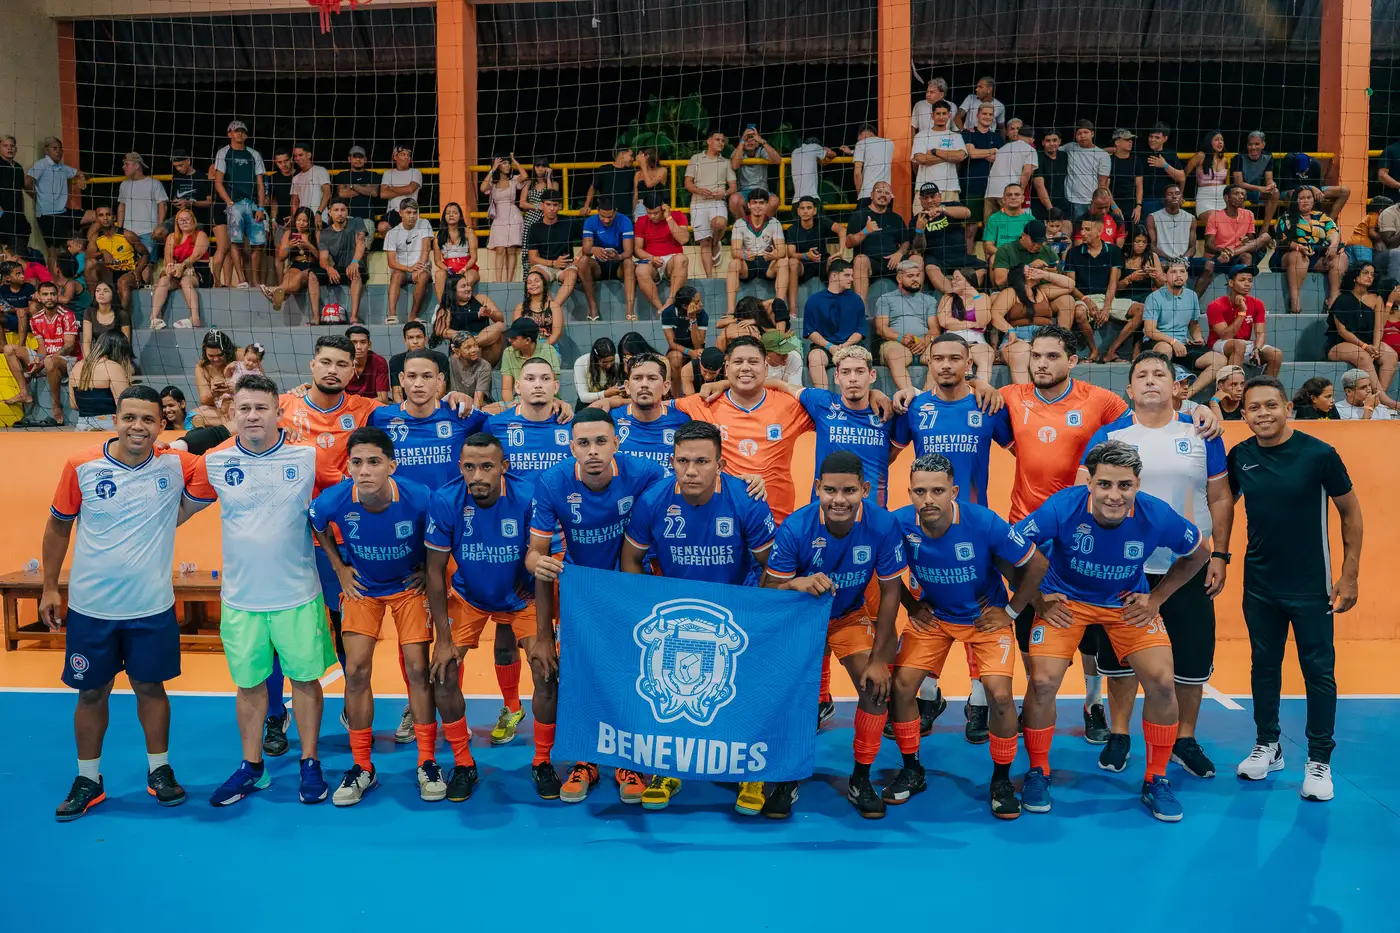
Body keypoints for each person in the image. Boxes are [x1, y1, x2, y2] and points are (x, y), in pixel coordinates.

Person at [1015, 440, 1207, 822]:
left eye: (1124, 485)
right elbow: (1010, 548)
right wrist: (1037, 600)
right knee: (1043, 682)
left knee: (1162, 682)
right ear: (1089, 482)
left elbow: (1200, 552)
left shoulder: (1155, 514)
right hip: (1065, 601)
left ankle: (1156, 778)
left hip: (1125, 602)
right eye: (1104, 484)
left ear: (1138, 484)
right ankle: (1038, 771)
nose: (1114, 495)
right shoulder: (1063, 507)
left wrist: (1156, 599)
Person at [42, 385, 206, 820]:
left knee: (151, 688)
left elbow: (225, 455)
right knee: (91, 692)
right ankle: (88, 779)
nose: (138, 426)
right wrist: (49, 587)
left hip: (151, 608)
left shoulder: (176, 464)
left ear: (162, 424)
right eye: (130, 417)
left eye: (148, 419)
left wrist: (192, 438)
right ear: (115, 419)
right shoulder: (81, 464)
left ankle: (160, 771)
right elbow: (58, 526)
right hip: (91, 609)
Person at [182, 374, 341, 808]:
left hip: (298, 596)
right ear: (233, 412)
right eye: (245, 408)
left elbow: (350, 494)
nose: (252, 416)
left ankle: (310, 762)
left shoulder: (308, 457)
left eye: (261, 408)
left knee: (305, 680)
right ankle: (253, 768)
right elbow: (178, 511)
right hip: (241, 600)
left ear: (278, 412)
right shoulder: (215, 461)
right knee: (249, 685)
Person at [1080, 353, 1232, 780]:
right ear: (1129, 389)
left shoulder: (1201, 431)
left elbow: (1220, 496)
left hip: (1188, 564)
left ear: (1176, 387)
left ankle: (1184, 739)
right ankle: (1119, 734)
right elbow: (1085, 496)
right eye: (1141, 375)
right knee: (1120, 661)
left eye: (1159, 374)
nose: (1150, 380)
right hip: (1124, 569)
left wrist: (1220, 554)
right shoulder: (1110, 436)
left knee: (1191, 659)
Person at [618, 419, 777, 809]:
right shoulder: (653, 500)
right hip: (678, 617)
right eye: (683, 461)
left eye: (702, 462)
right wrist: (647, 608)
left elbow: (771, 566)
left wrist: (756, 613)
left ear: (720, 464)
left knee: (744, 692)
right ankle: (668, 768)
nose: (691, 471)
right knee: (671, 689)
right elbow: (631, 560)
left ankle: (749, 773)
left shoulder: (745, 499)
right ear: (672, 461)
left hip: (732, 616)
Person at [1221, 376, 1363, 803]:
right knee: (1263, 666)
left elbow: (1351, 513)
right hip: (1260, 584)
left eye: (1271, 405)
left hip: (1311, 586)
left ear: (1287, 408)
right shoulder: (1240, 456)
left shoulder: (1319, 454)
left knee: (1318, 672)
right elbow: (1221, 505)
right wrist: (1215, 554)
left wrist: (1349, 575)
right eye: (1254, 408)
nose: (1263, 414)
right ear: (1243, 414)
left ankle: (1319, 759)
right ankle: (1269, 745)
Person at [887, 453, 1048, 818]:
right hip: (935, 617)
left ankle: (1001, 781)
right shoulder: (898, 523)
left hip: (984, 619)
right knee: (902, 686)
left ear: (954, 492)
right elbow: (884, 569)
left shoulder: (983, 521)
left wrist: (1011, 611)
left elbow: (1037, 563)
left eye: (937, 491)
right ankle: (912, 770)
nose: (928, 499)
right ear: (909, 493)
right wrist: (912, 607)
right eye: (919, 491)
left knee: (1000, 696)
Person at [526, 409, 667, 804]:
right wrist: (537, 565)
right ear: (571, 447)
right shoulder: (553, 482)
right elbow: (536, 554)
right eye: (584, 443)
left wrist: (750, 481)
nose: (592, 451)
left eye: (601, 442)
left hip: (631, 590)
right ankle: (585, 760)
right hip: (582, 595)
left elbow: (684, 494)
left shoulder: (644, 474)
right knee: (579, 679)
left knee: (632, 678)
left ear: (616, 443)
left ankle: (629, 761)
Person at [762, 451, 907, 819]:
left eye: (849, 491)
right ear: (817, 488)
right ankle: (787, 776)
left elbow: (891, 592)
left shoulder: (883, 524)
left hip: (847, 616)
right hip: (801, 618)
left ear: (865, 490)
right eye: (830, 490)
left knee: (876, 689)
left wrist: (879, 659)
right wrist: (796, 583)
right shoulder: (796, 527)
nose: (838, 499)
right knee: (791, 696)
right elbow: (768, 590)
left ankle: (861, 778)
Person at [308, 428, 444, 806]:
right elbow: (317, 525)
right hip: (363, 589)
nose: (364, 470)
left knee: (417, 668)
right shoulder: (334, 499)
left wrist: (427, 568)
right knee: (355, 671)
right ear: (348, 467)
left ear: (391, 466)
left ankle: (427, 761)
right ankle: (362, 765)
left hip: (407, 588)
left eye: (374, 462)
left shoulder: (419, 497)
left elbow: (442, 533)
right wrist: (339, 568)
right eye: (357, 463)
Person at [424, 433, 538, 803]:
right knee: (443, 671)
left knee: (545, 668)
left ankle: (542, 760)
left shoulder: (528, 496)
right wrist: (443, 640)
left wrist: (546, 631)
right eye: (469, 467)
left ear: (504, 467)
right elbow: (434, 571)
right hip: (469, 595)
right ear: (460, 467)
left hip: (520, 596)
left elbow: (545, 557)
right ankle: (463, 762)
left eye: (487, 466)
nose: (477, 475)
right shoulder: (446, 499)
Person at [1143, 260, 1222, 398]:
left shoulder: (1191, 296)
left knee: (1220, 360)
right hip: (1158, 342)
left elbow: (1193, 324)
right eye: (1173, 272)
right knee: (1166, 349)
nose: (1178, 275)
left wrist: (1198, 337)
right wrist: (1173, 342)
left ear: (1186, 276)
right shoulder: (1154, 297)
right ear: (1165, 275)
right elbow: (1150, 330)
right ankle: (1165, 394)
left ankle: (1187, 395)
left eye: (1182, 271)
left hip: (1182, 345)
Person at [1064, 213, 1137, 363]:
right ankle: (1094, 351)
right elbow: (1070, 285)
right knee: (1079, 312)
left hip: (1108, 297)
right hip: (1083, 298)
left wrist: (1106, 307)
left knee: (1141, 310)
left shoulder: (1114, 251)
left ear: (1099, 231)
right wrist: (1086, 300)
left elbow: (1113, 283)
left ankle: (1112, 351)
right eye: (1082, 229)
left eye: (1087, 229)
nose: (1082, 233)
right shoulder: (1073, 253)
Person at [1325, 262, 1400, 405]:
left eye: (1372, 274)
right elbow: (1343, 331)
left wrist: (1376, 347)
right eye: (1365, 273)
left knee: (1391, 355)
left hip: (1369, 343)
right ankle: (1386, 401)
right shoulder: (1342, 299)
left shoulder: (1377, 298)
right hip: (1340, 343)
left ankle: (1376, 400)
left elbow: (1379, 327)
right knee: (1363, 356)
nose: (1370, 276)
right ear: (1355, 275)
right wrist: (1365, 346)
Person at [11, 281, 77, 426]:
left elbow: (69, 346)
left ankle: (56, 406)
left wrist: (47, 359)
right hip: (47, 357)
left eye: (52, 294)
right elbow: (42, 347)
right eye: (45, 294)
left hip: (67, 359)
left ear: (57, 296)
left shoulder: (67, 315)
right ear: (39, 297)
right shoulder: (35, 319)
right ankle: (24, 392)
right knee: (10, 349)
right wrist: (38, 358)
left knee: (49, 361)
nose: (49, 297)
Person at [211, 120, 267, 289]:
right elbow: (218, 182)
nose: (239, 134)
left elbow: (260, 183)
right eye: (236, 131)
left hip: (252, 204)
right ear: (230, 134)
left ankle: (254, 280)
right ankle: (241, 279)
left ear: (246, 135)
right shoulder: (223, 152)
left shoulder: (254, 154)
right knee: (235, 242)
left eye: (242, 131)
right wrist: (229, 202)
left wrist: (261, 207)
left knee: (259, 243)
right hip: (234, 203)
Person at [1275, 185, 1347, 313]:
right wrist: (1298, 247)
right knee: (1297, 256)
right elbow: (1281, 241)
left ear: (1313, 200)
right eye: (1302, 198)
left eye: (1309, 198)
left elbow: (1334, 232)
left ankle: (1333, 300)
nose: (1306, 201)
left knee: (1341, 257)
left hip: (1316, 256)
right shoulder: (1286, 218)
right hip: (1291, 256)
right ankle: (1294, 303)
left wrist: (1334, 245)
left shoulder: (1322, 217)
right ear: (1295, 200)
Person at [1205, 265, 1283, 376]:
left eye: (1250, 280)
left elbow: (1260, 333)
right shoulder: (1216, 305)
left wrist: (1257, 349)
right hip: (1219, 343)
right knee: (1239, 345)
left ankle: (1265, 385)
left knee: (1276, 354)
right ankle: (1234, 383)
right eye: (1242, 280)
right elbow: (1225, 336)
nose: (1247, 284)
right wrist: (1242, 312)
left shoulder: (1258, 303)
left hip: (1244, 343)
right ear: (1231, 283)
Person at [874, 259, 939, 391]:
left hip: (924, 343)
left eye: (917, 275)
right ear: (899, 278)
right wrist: (900, 338)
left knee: (940, 354)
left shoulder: (930, 300)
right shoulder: (885, 299)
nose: (915, 279)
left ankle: (924, 396)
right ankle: (909, 394)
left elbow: (935, 328)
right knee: (894, 355)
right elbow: (881, 328)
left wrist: (925, 341)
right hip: (895, 342)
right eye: (910, 276)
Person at [1197, 186, 1272, 298]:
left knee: (1264, 238)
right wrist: (1222, 251)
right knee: (1243, 257)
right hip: (1222, 257)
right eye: (1237, 194)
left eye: (1243, 194)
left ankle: (1243, 299)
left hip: (1239, 254)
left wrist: (1247, 240)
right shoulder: (1215, 216)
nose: (1241, 196)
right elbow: (1208, 245)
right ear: (1226, 198)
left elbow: (1251, 241)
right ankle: (1192, 301)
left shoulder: (1248, 214)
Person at [845, 181, 913, 302]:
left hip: (893, 262)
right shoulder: (859, 215)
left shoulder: (896, 218)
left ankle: (915, 306)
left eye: (887, 193)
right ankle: (861, 308)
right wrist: (866, 231)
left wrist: (899, 253)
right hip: (870, 262)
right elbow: (849, 243)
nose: (883, 195)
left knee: (916, 260)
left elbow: (906, 241)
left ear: (890, 198)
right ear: (871, 195)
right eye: (879, 191)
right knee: (860, 260)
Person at [803, 259, 866, 389]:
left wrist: (845, 345)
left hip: (851, 346)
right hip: (824, 347)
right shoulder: (814, 300)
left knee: (860, 358)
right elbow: (810, 332)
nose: (851, 279)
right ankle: (823, 397)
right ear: (834, 276)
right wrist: (830, 346)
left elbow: (860, 331)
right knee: (815, 357)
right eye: (847, 275)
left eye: (852, 275)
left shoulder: (856, 300)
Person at [26, 136, 93, 256]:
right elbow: (26, 182)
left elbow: (85, 174)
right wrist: (37, 196)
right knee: (54, 250)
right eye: (54, 148)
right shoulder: (42, 164)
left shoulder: (62, 167)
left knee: (97, 216)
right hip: (48, 215)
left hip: (63, 212)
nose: (58, 151)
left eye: (60, 148)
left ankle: (90, 249)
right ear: (46, 150)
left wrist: (82, 177)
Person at [725, 189, 787, 316]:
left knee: (784, 262)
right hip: (748, 263)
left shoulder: (774, 223)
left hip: (767, 262)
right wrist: (744, 255)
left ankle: (779, 307)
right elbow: (735, 251)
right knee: (734, 263)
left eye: (761, 203)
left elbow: (782, 250)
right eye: (754, 203)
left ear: (767, 205)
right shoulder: (740, 223)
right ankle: (731, 310)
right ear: (749, 205)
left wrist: (775, 254)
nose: (757, 206)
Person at [912, 183, 981, 294]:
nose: (929, 200)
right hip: (936, 259)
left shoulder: (952, 206)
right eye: (925, 198)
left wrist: (942, 209)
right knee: (930, 268)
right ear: (920, 200)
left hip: (959, 255)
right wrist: (920, 231)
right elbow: (918, 249)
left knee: (983, 268)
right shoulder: (916, 220)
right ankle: (952, 296)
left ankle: (965, 294)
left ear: (939, 196)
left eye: (932, 196)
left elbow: (967, 213)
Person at [685, 133, 737, 275]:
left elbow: (733, 186)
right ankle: (709, 278)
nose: (721, 143)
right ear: (709, 141)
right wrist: (698, 190)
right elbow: (688, 183)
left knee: (720, 223)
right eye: (717, 139)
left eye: (723, 140)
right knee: (704, 242)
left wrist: (724, 194)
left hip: (717, 201)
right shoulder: (696, 158)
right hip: (698, 202)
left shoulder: (726, 162)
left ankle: (715, 242)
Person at [524, 189, 582, 313]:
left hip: (566, 265)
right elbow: (533, 259)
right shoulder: (535, 227)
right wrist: (553, 263)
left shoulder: (569, 222)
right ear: (542, 205)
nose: (552, 208)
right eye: (548, 204)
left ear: (559, 206)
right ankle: (546, 308)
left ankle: (554, 308)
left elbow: (589, 239)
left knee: (572, 274)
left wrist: (578, 258)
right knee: (534, 276)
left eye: (555, 205)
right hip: (545, 265)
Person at [85, 204, 147, 319]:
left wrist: (138, 271)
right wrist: (102, 252)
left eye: (108, 215)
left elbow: (145, 254)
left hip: (129, 273)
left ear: (114, 217)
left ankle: (120, 317)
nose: (105, 218)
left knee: (122, 282)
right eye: (101, 215)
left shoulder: (127, 235)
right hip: (109, 273)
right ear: (97, 219)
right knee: (90, 264)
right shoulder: (96, 237)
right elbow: (88, 256)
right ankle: (95, 303)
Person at [578, 197, 636, 321]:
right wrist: (593, 249)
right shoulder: (590, 221)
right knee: (583, 261)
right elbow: (585, 249)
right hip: (599, 265)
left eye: (610, 217)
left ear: (615, 211)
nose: (606, 220)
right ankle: (592, 307)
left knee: (629, 263)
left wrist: (618, 257)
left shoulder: (625, 221)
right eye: (603, 216)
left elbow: (629, 252)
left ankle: (630, 312)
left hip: (619, 265)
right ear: (598, 211)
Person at [150, 208, 208, 330]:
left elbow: (196, 255)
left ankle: (195, 318)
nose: (184, 222)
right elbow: (168, 256)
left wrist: (182, 266)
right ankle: (154, 318)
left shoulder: (200, 234)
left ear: (193, 220)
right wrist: (171, 266)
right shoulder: (171, 236)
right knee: (163, 281)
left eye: (187, 219)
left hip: (198, 271)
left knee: (185, 281)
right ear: (177, 223)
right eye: (181, 220)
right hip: (178, 272)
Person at [633, 195, 690, 313]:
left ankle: (670, 302)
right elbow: (638, 249)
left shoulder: (678, 216)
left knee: (681, 259)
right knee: (640, 270)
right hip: (652, 260)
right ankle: (661, 310)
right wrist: (651, 258)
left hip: (672, 260)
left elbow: (683, 239)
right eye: (649, 213)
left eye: (656, 213)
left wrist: (668, 218)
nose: (652, 216)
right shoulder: (641, 221)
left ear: (664, 207)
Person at [960, 104, 1004, 253]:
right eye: (984, 114)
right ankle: (968, 260)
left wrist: (982, 153)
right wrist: (993, 151)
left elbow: (999, 159)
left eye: (990, 114)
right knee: (970, 228)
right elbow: (972, 153)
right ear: (978, 115)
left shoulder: (997, 137)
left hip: (993, 189)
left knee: (990, 229)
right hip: (972, 186)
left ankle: (989, 262)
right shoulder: (968, 134)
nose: (987, 117)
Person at [68, 330, 133, 432]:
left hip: (81, 426)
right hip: (107, 425)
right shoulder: (113, 367)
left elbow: (74, 405)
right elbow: (124, 405)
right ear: (120, 350)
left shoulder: (77, 366)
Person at [785, 196, 843, 309]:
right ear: (798, 211)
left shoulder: (822, 221)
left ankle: (840, 306)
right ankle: (792, 311)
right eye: (802, 208)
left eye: (809, 208)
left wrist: (840, 252)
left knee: (838, 263)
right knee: (792, 262)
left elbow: (842, 230)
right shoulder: (793, 229)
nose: (805, 211)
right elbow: (791, 253)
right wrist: (806, 255)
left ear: (814, 210)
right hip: (804, 264)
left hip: (823, 261)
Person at [260, 205, 320, 315]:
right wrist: (289, 246)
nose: (301, 223)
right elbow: (281, 257)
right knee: (288, 277)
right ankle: (279, 294)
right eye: (298, 220)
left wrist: (308, 245)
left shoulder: (315, 233)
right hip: (296, 264)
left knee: (299, 277)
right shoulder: (289, 233)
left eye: (305, 221)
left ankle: (274, 291)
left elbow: (321, 257)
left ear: (310, 222)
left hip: (311, 265)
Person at [435, 274, 505, 366]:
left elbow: (500, 319)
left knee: (500, 325)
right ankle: (471, 343)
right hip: (463, 347)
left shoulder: (481, 299)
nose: (468, 288)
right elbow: (441, 331)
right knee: (471, 347)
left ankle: (473, 343)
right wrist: (465, 336)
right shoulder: (447, 308)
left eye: (468, 285)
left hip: (484, 346)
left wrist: (490, 313)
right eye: (463, 286)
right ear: (453, 291)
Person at [317, 197, 367, 324]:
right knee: (312, 275)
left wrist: (355, 262)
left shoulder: (357, 222)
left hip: (356, 265)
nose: (340, 213)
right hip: (339, 268)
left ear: (347, 211)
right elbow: (323, 259)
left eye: (343, 210)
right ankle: (316, 317)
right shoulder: (325, 233)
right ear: (330, 212)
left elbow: (361, 242)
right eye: (336, 210)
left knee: (356, 275)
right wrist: (329, 268)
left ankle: (354, 317)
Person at [383, 198, 434, 323]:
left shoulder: (424, 223)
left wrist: (420, 268)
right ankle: (392, 315)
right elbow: (391, 262)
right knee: (396, 275)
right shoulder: (392, 233)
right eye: (408, 212)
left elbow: (426, 248)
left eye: (415, 212)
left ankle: (413, 316)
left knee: (423, 276)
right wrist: (409, 269)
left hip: (421, 267)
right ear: (401, 213)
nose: (412, 216)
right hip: (403, 269)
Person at [935, 271, 996, 377]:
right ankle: (965, 384)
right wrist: (973, 324)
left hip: (977, 340)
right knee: (961, 357)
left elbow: (982, 322)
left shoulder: (982, 297)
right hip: (952, 339)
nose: (953, 282)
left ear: (969, 281)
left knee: (987, 357)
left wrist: (975, 296)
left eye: (957, 279)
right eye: (952, 279)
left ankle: (981, 386)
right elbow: (944, 322)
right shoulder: (948, 297)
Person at [480, 155, 527, 281]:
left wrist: (515, 161)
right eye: (504, 163)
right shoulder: (492, 183)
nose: (507, 166)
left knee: (511, 250)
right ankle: (499, 281)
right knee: (500, 249)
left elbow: (525, 176)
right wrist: (493, 169)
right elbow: (482, 188)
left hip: (513, 216)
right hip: (499, 217)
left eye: (508, 163)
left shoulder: (513, 180)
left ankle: (509, 281)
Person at [115, 152, 167, 262]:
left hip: (149, 232)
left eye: (127, 164)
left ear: (136, 165)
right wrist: (119, 229)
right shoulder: (124, 184)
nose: (123, 167)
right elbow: (121, 206)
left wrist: (159, 226)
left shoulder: (154, 183)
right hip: (128, 232)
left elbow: (162, 205)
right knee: (126, 263)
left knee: (147, 264)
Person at [913, 100, 965, 206]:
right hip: (924, 188)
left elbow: (961, 156)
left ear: (949, 115)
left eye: (944, 113)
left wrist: (935, 152)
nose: (941, 117)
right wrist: (950, 156)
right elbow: (921, 159)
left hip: (950, 188)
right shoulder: (921, 135)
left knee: (952, 217)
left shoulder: (956, 136)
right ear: (932, 116)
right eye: (938, 114)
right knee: (922, 217)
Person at [499, 317, 561, 403]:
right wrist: (510, 406)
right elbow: (506, 390)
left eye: (514, 338)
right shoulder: (508, 352)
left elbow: (551, 386)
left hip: (547, 400)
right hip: (520, 401)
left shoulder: (549, 351)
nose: (509, 340)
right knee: (488, 408)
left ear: (527, 340)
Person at [388, 320, 450, 402]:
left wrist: (424, 406)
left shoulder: (440, 358)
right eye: (410, 338)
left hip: (434, 404)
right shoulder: (396, 361)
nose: (415, 341)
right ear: (405, 341)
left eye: (419, 337)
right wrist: (405, 409)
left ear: (425, 339)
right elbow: (397, 393)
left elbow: (440, 390)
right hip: (406, 406)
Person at [1231, 131, 1281, 230]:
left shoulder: (1268, 157)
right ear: (1247, 145)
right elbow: (1239, 183)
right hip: (1241, 191)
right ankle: (1243, 231)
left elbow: (1269, 179)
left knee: (1275, 192)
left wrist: (1271, 184)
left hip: (1257, 191)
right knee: (1239, 194)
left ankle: (1265, 228)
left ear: (1263, 145)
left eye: (1257, 144)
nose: (1253, 147)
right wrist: (1260, 188)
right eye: (1250, 144)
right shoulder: (1239, 158)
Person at [728, 127, 781, 219]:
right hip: (744, 192)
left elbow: (777, 160)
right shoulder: (739, 151)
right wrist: (741, 142)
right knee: (734, 200)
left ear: (757, 143)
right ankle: (744, 226)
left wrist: (762, 141)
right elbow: (735, 166)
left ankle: (761, 225)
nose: (749, 141)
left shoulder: (761, 150)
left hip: (762, 190)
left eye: (752, 139)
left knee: (774, 201)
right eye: (746, 139)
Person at [660, 285, 708, 386]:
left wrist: (693, 320)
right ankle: (675, 394)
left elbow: (698, 345)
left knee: (701, 354)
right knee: (676, 358)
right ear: (685, 306)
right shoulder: (668, 313)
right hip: (678, 349)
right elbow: (672, 343)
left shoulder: (703, 315)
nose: (701, 304)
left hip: (696, 349)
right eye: (697, 302)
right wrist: (689, 352)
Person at [1064, 121, 1111, 221]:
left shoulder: (1103, 155)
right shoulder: (1070, 147)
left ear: (1092, 133)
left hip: (1093, 201)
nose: (1082, 136)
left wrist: (1098, 202)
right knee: (1077, 229)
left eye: (1086, 132)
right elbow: (1052, 150)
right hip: (1072, 200)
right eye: (1079, 133)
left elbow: (1102, 183)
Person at [1139, 123, 1186, 217]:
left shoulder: (1170, 154)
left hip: (1167, 199)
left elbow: (1181, 178)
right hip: (1146, 199)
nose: (1152, 140)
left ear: (1165, 139)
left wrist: (1165, 165)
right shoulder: (1141, 153)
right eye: (1151, 136)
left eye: (1157, 137)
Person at [1185, 131, 1230, 228]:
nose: (1220, 142)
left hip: (1223, 198)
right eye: (1216, 139)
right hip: (1205, 199)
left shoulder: (1225, 160)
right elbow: (1183, 174)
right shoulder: (1200, 156)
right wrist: (1180, 193)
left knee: (1230, 222)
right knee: (1215, 221)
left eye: (1222, 140)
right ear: (1209, 141)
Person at [335, 145, 380, 239]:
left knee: (364, 246)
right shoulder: (343, 175)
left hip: (367, 218)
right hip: (346, 217)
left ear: (365, 159)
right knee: (345, 246)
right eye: (355, 157)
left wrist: (352, 186)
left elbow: (374, 192)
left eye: (361, 157)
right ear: (349, 159)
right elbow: (342, 193)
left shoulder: (373, 175)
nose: (358, 159)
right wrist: (365, 188)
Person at [378, 145, 423, 235]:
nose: (406, 157)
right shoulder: (388, 173)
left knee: (408, 236)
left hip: (410, 210)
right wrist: (404, 190)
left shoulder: (415, 172)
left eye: (408, 155)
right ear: (395, 157)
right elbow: (383, 194)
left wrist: (391, 188)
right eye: (403, 154)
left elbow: (410, 189)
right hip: (393, 212)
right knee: (382, 227)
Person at [846, 124, 894, 209]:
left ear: (861, 134)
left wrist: (859, 193)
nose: (858, 139)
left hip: (867, 194)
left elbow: (857, 173)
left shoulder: (861, 144)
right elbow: (875, 153)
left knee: (862, 217)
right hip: (886, 195)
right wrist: (852, 152)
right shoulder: (889, 143)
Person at [1147, 184, 1196, 266]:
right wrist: (1170, 259)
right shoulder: (1153, 217)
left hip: (1183, 259)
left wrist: (1184, 259)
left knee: (1208, 264)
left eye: (1177, 193)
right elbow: (1152, 246)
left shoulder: (1191, 218)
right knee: (1162, 264)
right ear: (1164, 198)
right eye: (1170, 194)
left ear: (1181, 197)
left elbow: (1193, 247)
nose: (1174, 196)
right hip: (1162, 259)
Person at [583, 145, 636, 217]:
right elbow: (593, 188)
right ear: (622, 154)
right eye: (631, 155)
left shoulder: (632, 172)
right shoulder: (604, 169)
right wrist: (586, 205)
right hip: (606, 215)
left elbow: (636, 192)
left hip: (625, 215)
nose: (633, 159)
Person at [344, 324, 390, 402]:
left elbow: (383, 400)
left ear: (369, 344)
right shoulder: (341, 362)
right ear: (347, 345)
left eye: (363, 342)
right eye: (354, 342)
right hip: (348, 406)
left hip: (373, 407)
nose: (358, 347)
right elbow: (336, 399)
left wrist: (357, 404)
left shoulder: (379, 362)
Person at [1031, 129, 1069, 220]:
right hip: (1041, 205)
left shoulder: (1064, 156)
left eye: (1055, 140)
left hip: (1062, 203)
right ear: (1043, 143)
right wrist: (1051, 210)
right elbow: (1039, 186)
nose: (1052, 144)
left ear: (1060, 142)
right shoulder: (1037, 157)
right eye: (1048, 141)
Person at [573, 336, 623, 405]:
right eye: (604, 362)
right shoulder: (581, 363)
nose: (609, 365)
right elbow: (583, 397)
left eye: (612, 361)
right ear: (596, 359)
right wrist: (605, 394)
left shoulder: (617, 359)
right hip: (587, 404)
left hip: (611, 402)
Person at [289, 143, 331, 222]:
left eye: (300, 155)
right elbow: (295, 202)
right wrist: (296, 218)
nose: (297, 158)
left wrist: (319, 213)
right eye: (295, 156)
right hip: (303, 221)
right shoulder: (295, 178)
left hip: (320, 218)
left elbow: (327, 193)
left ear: (309, 155)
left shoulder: (321, 171)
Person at [449, 334, 492, 406]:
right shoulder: (450, 363)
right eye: (468, 348)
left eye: (475, 345)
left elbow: (478, 403)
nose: (474, 350)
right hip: (453, 404)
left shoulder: (484, 366)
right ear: (457, 351)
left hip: (477, 405)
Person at [632, 148, 668, 217]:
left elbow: (649, 184)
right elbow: (636, 194)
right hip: (640, 206)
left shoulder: (662, 170)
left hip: (656, 206)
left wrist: (643, 166)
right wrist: (633, 212)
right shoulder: (638, 174)